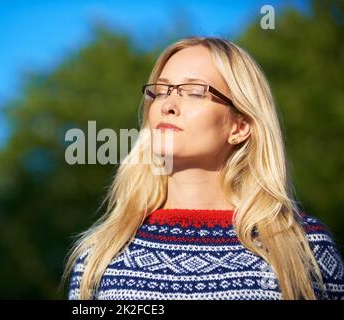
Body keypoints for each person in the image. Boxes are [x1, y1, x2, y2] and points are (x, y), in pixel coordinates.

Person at [62, 36, 344, 300]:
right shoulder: (100, 256)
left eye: (194, 92)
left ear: (240, 126)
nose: (168, 105)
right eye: (161, 91)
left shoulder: (303, 247)